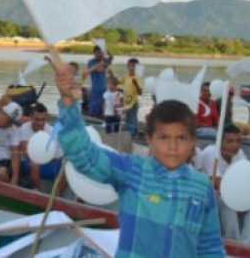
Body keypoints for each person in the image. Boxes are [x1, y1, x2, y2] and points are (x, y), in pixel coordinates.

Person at [53, 60, 224, 257]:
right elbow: (85, 155)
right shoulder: (132, 171)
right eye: (163, 137)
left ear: (193, 141)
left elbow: (210, 247)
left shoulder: (202, 186)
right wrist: (67, 101)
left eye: (182, 138)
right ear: (149, 140)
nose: (173, 146)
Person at [194, 125, 250, 245]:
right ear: (220, 142)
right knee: (226, 198)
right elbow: (218, 184)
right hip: (211, 196)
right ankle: (233, 242)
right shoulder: (211, 153)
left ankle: (247, 244)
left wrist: (245, 198)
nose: (235, 145)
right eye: (230, 141)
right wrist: (240, 198)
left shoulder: (239, 154)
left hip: (231, 192)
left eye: (238, 141)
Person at [18, 103, 64, 190]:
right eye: (37, 119)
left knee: (67, 166)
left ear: (46, 118)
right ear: (31, 117)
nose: (40, 123)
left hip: (49, 162)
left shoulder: (51, 131)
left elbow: (58, 155)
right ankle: (39, 192)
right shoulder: (24, 128)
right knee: (34, 164)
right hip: (30, 162)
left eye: (43, 119)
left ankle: (58, 195)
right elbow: (26, 152)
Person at [86, 46, 112, 118]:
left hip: (104, 87)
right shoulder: (91, 62)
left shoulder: (103, 61)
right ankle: (93, 117)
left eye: (101, 53)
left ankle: (102, 118)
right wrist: (103, 62)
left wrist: (107, 52)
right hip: (96, 88)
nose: (99, 54)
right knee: (94, 106)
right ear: (94, 53)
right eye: (97, 53)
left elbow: (111, 58)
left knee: (103, 105)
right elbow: (98, 70)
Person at [119, 58, 144, 136]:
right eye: (130, 66)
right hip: (126, 101)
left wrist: (136, 83)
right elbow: (118, 83)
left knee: (132, 117)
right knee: (128, 117)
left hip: (133, 102)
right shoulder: (126, 76)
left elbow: (140, 92)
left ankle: (132, 134)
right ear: (127, 66)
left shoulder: (138, 78)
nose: (131, 68)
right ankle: (133, 131)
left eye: (134, 66)